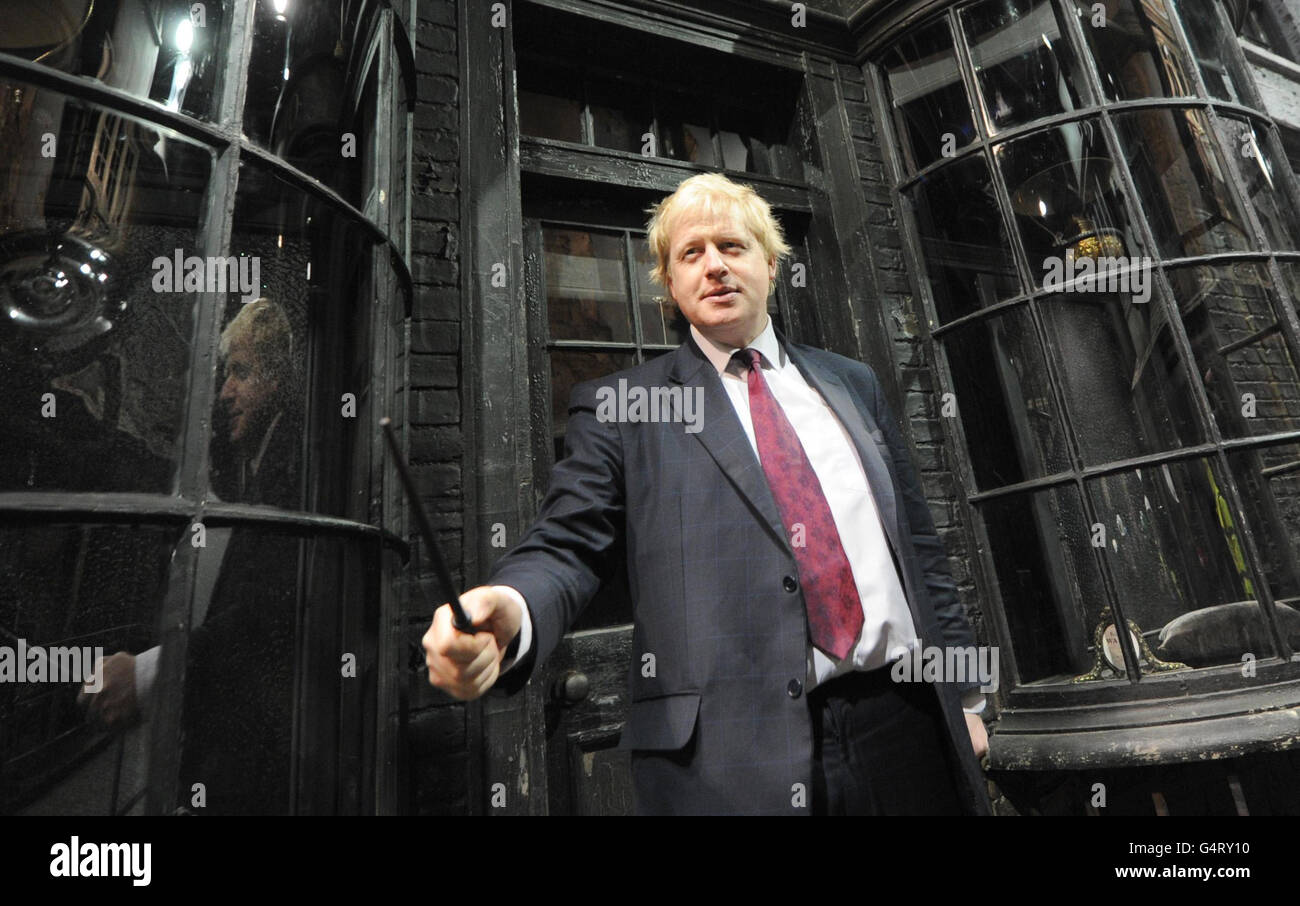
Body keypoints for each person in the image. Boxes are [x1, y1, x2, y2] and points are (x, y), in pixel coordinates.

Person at [424, 173, 990, 815]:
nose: (714, 266)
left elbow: (917, 547)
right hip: (732, 758)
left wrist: (966, 696)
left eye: (733, 246)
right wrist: (512, 608)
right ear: (670, 283)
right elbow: (568, 545)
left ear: (771, 266)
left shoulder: (851, 383)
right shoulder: (625, 407)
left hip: (909, 724)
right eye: (691, 254)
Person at [82, 300, 302, 813]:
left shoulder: (291, 463)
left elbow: (267, 616)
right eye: (224, 374)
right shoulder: (267, 459)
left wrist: (145, 673)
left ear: (275, 378)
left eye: (241, 373)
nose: (225, 392)